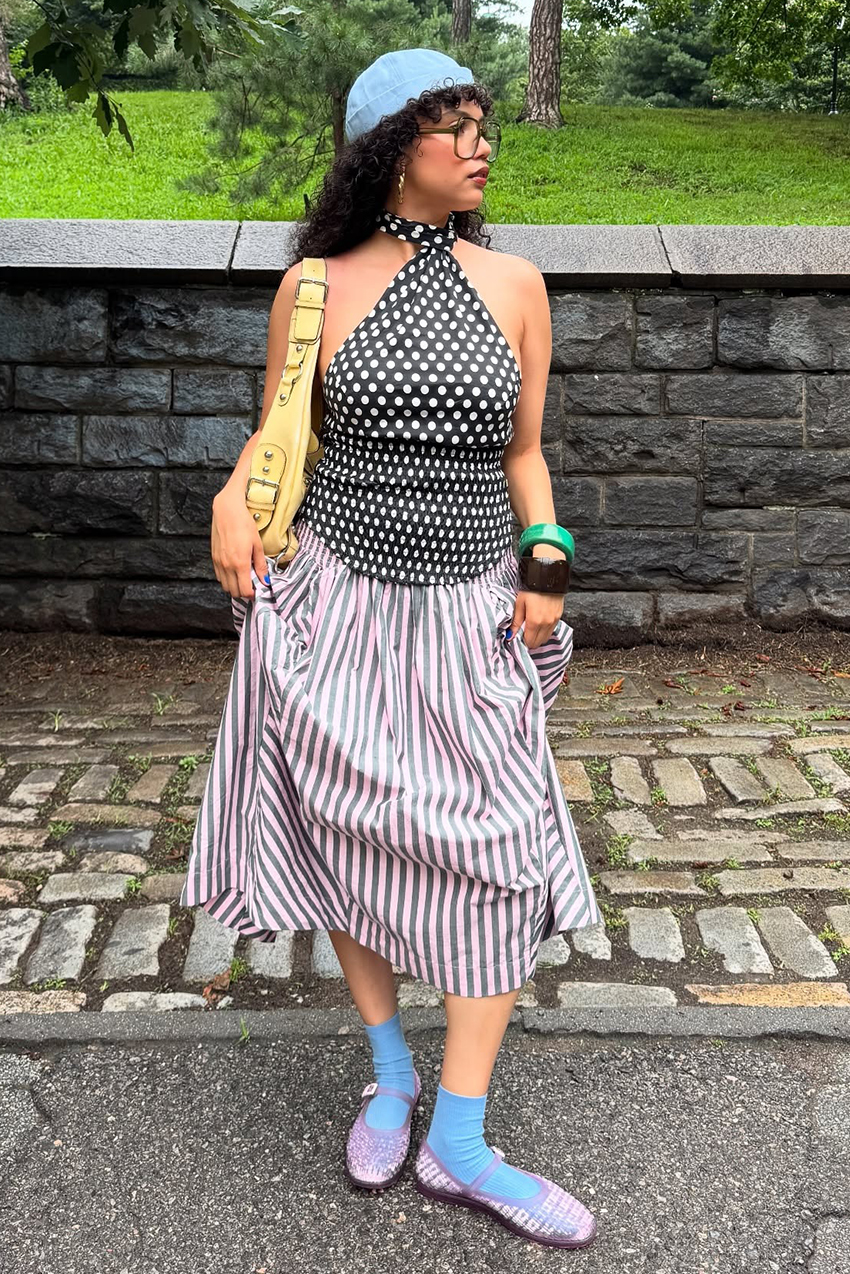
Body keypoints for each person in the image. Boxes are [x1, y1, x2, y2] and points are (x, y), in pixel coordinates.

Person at [181, 47, 603, 1250]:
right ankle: (389, 1076)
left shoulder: (515, 282)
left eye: (483, 126)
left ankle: (460, 1140)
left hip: (472, 607)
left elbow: (525, 452)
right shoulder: (312, 284)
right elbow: (278, 436)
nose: (480, 145)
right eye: (454, 127)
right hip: (338, 603)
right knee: (355, 832)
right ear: (388, 147)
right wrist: (227, 498)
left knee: (498, 854)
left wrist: (548, 556)